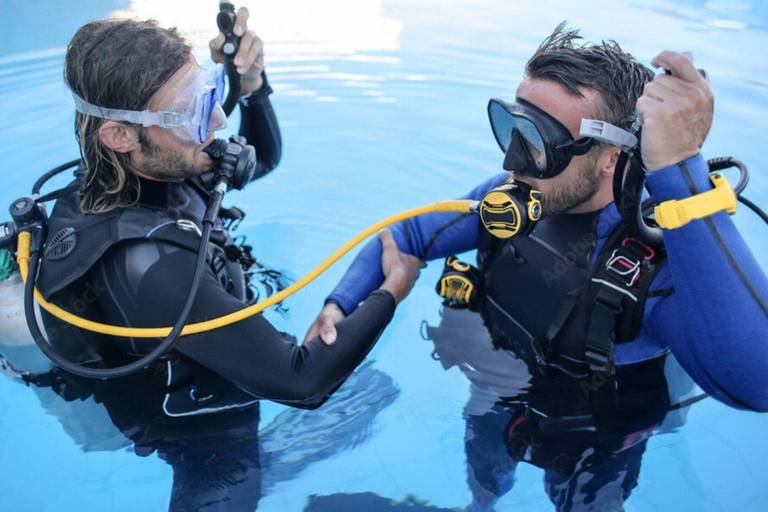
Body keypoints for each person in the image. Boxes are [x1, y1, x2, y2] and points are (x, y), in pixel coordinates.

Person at [307, 23, 768, 509]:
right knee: (482, 485)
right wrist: (339, 306)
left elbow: (756, 384)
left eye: (538, 141)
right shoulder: (506, 198)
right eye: (511, 127)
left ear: (611, 156)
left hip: (598, 444)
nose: (513, 162)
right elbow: (405, 235)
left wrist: (680, 169)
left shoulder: (658, 268)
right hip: (497, 395)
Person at [24, 9, 422, 511]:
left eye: (209, 92)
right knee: (354, 403)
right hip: (200, 433)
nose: (216, 122)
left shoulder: (154, 162)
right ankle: (273, 464)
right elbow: (303, 381)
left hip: (213, 342)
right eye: (192, 109)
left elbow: (264, 159)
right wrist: (391, 291)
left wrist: (251, 85)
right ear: (119, 135)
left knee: (374, 391)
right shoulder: (149, 267)